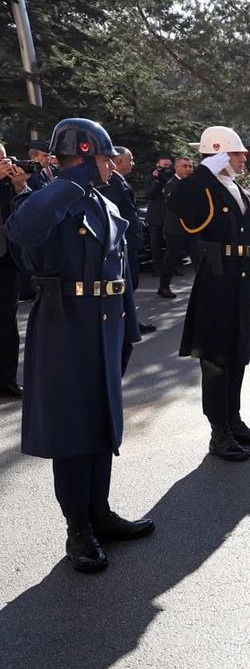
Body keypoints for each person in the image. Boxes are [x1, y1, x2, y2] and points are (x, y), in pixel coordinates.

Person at [5, 118, 153, 573]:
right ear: (87, 155)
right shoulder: (51, 201)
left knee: (100, 420)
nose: (112, 165)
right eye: (105, 157)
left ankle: (100, 513)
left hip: (106, 323)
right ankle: (78, 529)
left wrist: (128, 327)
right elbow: (21, 232)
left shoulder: (102, 203)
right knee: (72, 430)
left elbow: (119, 267)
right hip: (64, 326)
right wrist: (69, 180)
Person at [170, 126, 250, 461]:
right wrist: (204, 169)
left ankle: (233, 420)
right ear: (220, 154)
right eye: (238, 153)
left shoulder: (232, 187)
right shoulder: (203, 186)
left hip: (241, 279)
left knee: (237, 353)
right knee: (215, 359)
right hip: (216, 280)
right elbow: (179, 203)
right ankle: (219, 433)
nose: (245, 158)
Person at [98, 146, 155, 334]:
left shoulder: (119, 181)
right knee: (126, 284)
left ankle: (128, 321)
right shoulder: (113, 183)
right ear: (119, 162)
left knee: (130, 284)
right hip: (123, 241)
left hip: (130, 240)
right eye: (130, 159)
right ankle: (125, 323)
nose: (133, 163)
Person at [157, 156, 203, 298]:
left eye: (190, 166)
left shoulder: (192, 184)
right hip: (175, 229)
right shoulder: (172, 184)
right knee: (171, 259)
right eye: (185, 166)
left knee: (198, 258)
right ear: (176, 168)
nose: (188, 169)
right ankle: (163, 287)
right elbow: (175, 206)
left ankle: (203, 286)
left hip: (191, 228)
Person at [0, 143, 25, 397]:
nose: (5, 163)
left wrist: (19, 186)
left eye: (5, 157)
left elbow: (28, 210)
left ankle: (7, 378)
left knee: (7, 322)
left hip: (7, 258)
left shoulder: (10, 182)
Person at [143, 155, 174, 274]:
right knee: (155, 244)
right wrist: (156, 181)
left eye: (169, 165)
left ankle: (170, 266)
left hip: (169, 215)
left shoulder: (172, 178)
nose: (167, 168)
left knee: (170, 244)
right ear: (157, 165)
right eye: (164, 165)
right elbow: (149, 194)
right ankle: (156, 267)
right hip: (155, 215)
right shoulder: (150, 178)